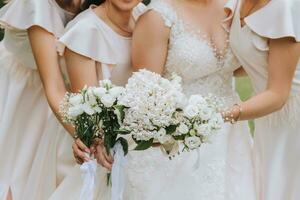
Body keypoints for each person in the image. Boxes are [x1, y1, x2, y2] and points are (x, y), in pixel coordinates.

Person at [93, 0, 256, 199]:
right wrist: (176, 130)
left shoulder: (232, 7)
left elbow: (240, 65)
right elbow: (146, 94)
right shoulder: (158, 17)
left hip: (232, 135)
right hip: (178, 142)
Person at [48, 0, 146, 199]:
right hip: (99, 144)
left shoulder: (143, 16)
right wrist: (99, 140)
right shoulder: (85, 31)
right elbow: (88, 107)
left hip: (138, 141)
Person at [0, 0, 84, 199]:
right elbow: (53, 84)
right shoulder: (38, 5)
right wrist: (86, 135)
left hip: (62, 95)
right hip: (23, 93)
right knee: (17, 174)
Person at [224, 0, 300, 199]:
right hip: (266, 114)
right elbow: (253, 60)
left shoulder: (285, 8)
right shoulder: (237, 3)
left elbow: (278, 94)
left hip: (292, 119)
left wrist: (224, 114)